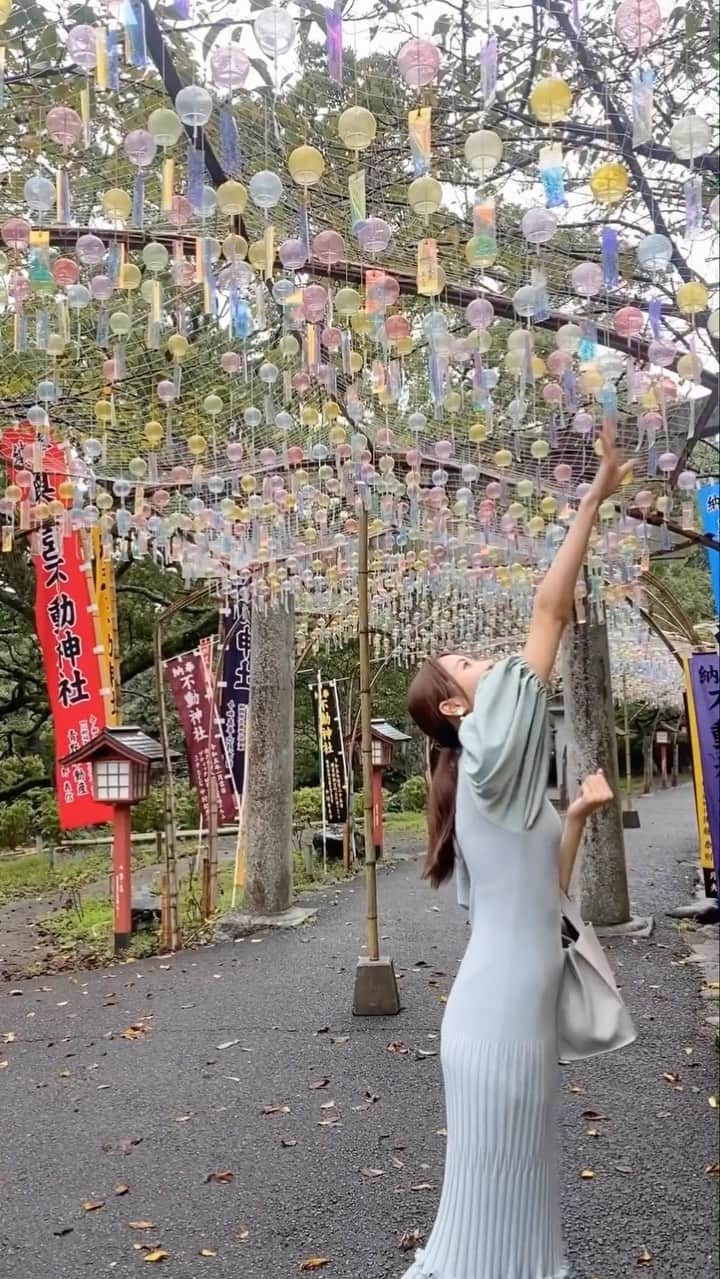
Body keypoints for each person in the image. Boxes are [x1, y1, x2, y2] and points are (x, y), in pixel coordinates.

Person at [404, 424, 633, 1279]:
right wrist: (594, 492)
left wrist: (573, 814)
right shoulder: (489, 762)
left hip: (513, 1015)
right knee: (491, 1217)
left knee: (517, 1205)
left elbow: (549, 896)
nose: (486, 658)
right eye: (467, 662)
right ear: (461, 709)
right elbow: (550, 609)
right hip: (497, 1019)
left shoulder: (498, 788)